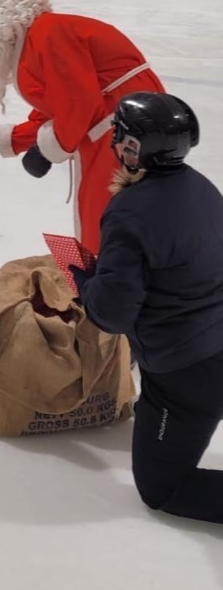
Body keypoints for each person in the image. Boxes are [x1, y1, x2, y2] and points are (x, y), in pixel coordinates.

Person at [70, 92, 223, 524]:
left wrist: (87, 284)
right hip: (213, 340)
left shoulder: (130, 211)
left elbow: (113, 314)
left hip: (186, 375)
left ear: (134, 146)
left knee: (163, 488)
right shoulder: (200, 184)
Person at [0, 0, 164, 253]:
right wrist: (5, 138)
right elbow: (59, 107)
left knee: (100, 206)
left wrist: (47, 151)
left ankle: (103, 283)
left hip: (118, 122)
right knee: (122, 206)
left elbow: (79, 104)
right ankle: (120, 279)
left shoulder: (47, 34)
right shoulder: (39, 35)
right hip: (127, 117)